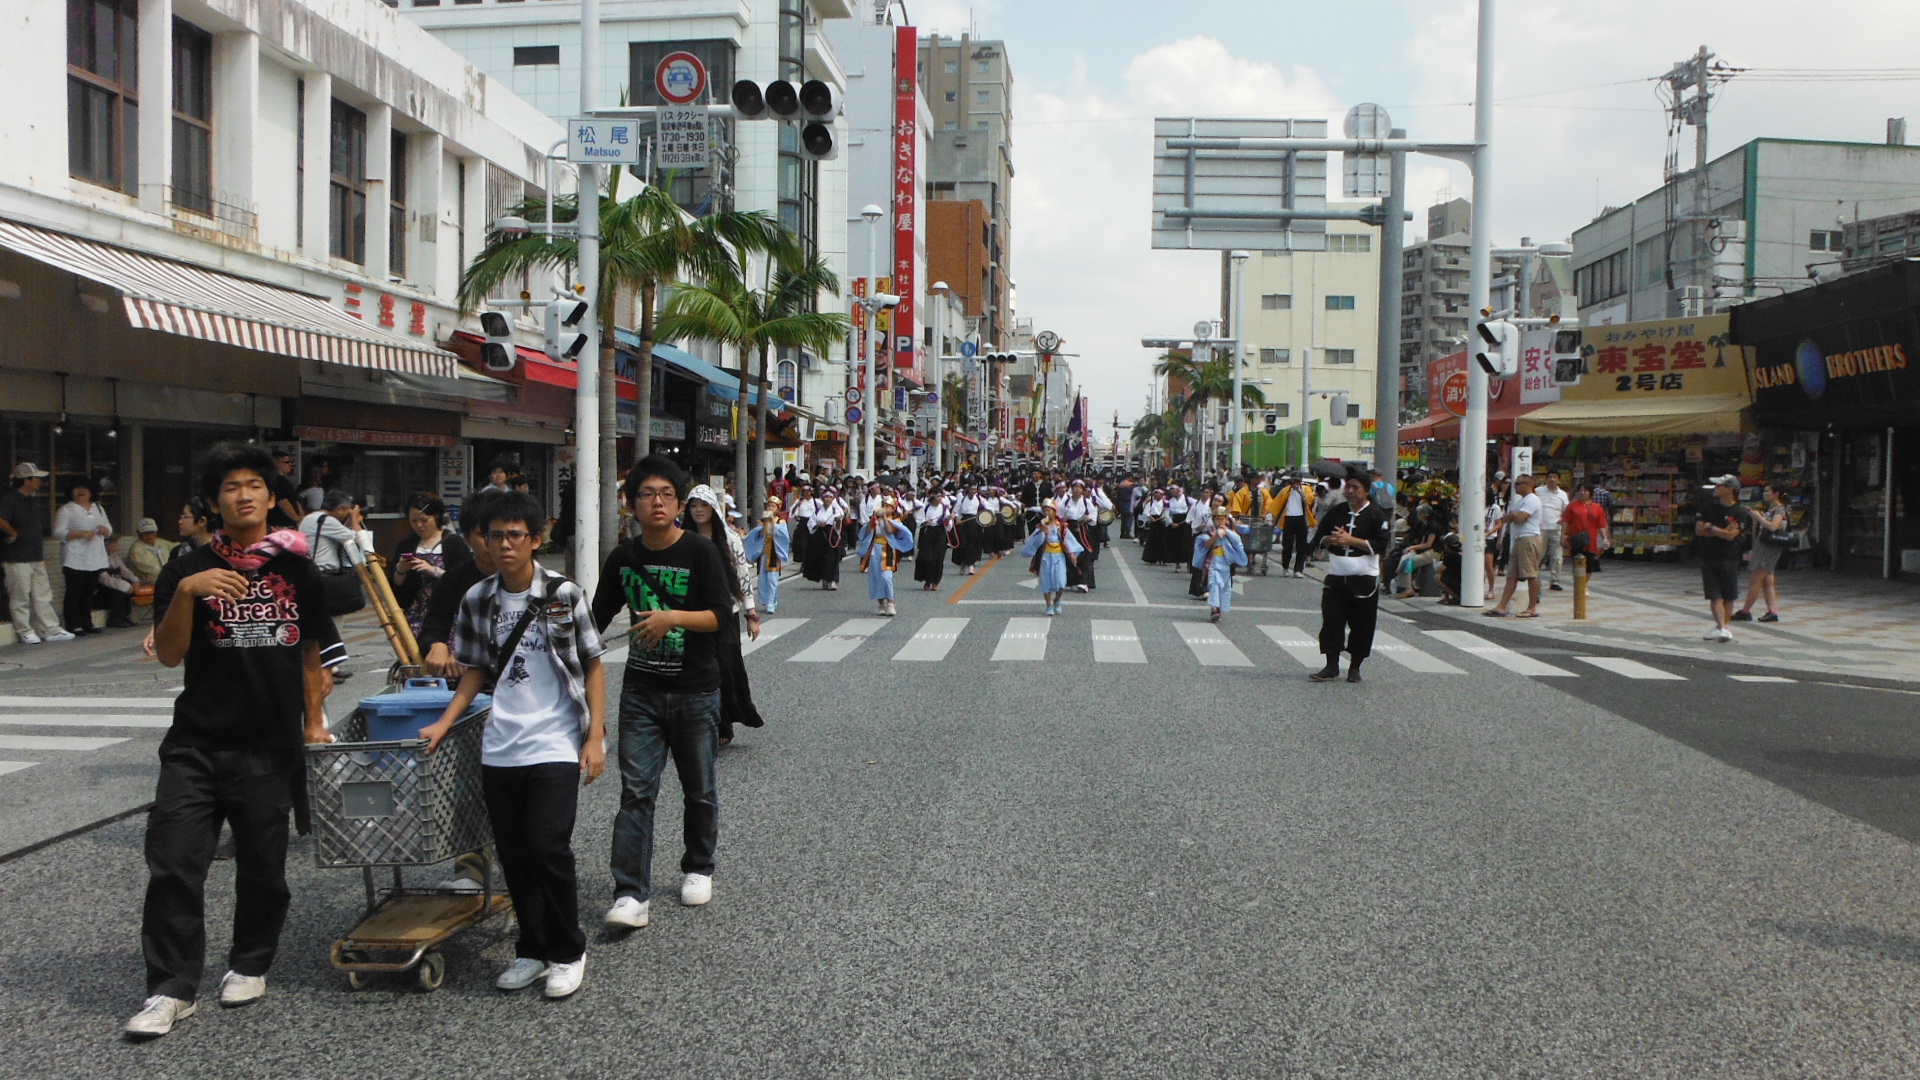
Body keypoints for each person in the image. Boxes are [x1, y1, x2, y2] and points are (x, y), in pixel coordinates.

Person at [127, 442, 346, 1038]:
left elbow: (311, 652)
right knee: (173, 863)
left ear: (271, 499)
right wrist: (188, 592)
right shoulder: (186, 568)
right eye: (230, 487)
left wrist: (313, 719)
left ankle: (250, 960)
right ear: (214, 500)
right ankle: (171, 988)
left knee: (262, 869)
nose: (243, 494)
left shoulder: (296, 568)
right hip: (195, 741)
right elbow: (170, 653)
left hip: (268, 742)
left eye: (254, 485)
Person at [421, 490, 605, 1000]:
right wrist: (444, 722)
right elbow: (475, 671)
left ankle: (568, 950)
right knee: (514, 853)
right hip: (500, 743)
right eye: (495, 535)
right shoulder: (478, 598)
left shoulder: (563, 594)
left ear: (536, 540)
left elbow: (592, 663)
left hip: (555, 741)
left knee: (548, 846)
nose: (504, 544)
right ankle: (531, 948)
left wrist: (595, 737)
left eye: (515, 535)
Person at [591, 456, 735, 934]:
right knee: (636, 792)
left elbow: (720, 615)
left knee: (700, 788)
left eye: (666, 494)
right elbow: (594, 617)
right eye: (647, 494)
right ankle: (630, 892)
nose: (657, 502)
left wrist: (671, 617)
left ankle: (699, 865)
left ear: (678, 503)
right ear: (632, 504)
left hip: (696, 689)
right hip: (642, 692)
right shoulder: (624, 557)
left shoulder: (699, 552)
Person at [682, 484, 763, 745]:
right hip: (691, 613)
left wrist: (751, 614)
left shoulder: (729, 538)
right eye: (694, 506)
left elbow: (742, 576)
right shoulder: (681, 538)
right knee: (695, 669)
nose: (698, 511)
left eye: (703, 505)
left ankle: (726, 718)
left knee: (725, 667)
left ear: (714, 509)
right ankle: (709, 725)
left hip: (726, 612)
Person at [1308, 470, 1393, 684]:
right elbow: (1319, 538)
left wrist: (1351, 540)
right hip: (1337, 576)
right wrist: (1331, 540)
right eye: (1349, 487)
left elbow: (1382, 545)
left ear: (1366, 491)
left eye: (1356, 487)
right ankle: (1331, 664)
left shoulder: (1376, 515)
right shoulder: (1336, 512)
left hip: (1364, 578)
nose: (1351, 491)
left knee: (1362, 624)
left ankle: (1355, 666)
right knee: (1332, 620)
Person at [417, 490, 500, 680]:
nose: (494, 543)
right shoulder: (453, 580)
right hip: (471, 683)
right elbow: (433, 626)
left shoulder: (538, 584)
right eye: (483, 535)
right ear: (467, 539)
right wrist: (437, 645)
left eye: (499, 534)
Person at [300, 491, 369, 680]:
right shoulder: (328, 521)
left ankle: (323, 663)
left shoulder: (309, 519)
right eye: (346, 509)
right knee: (334, 621)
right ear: (339, 509)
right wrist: (355, 519)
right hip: (325, 576)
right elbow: (356, 537)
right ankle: (331, 665)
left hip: (312, 574)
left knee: (320, 620)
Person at [2, 462, 72, 644]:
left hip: (35, 555)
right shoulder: (10, 499)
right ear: (27, 480)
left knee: (43, 594)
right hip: (16, 557)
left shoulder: (32, 499)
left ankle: (50, 629)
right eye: (36, 478)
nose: (39, 481)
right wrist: (12, 532)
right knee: (20, 595)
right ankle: (24, 630)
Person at [391, 494, 473, 638]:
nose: (419, 525)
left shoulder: (453, 543)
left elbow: (462, 581)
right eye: (413, 520)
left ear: (436, 516)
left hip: (447, 612)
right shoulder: (406, 545)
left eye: (424, 520)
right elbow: (396, 586)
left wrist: (433, 571)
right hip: (415, 613)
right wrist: (401, 570)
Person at [55, 479, 113, 635]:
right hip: (74, 557)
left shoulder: (98, 508)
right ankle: (73, 623)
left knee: (89, 592)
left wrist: (104, 530)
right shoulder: (66, 510)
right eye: (77, 488)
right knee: (74, 592)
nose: (81, 491)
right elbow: (58, 532)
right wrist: (80, 533)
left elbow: (109, 528)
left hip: (94, 557)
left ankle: (87, 622)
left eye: (85, 488)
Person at [1695, 475, 1745, 642]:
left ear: (1729, 489)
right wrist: (1721, 531)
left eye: (1719, 485)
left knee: (1729, 595)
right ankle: (1721, 627)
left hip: (1730, 557)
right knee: (1715, 594)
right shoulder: (1708, 507)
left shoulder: (1739, 511)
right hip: (1709, 557)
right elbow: (1699, 530)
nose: (1715, 488)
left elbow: (1732, 536)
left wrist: (1712, 528)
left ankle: (1722, 628)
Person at [1485, 474, 1543, 619]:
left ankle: (1532, 607)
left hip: (1529, 538)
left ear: (1528, 484)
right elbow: (1505, 519)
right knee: (1512, 575)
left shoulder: (1532, 500)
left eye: (1518, 484)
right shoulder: (1520, 502)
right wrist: (1512, 516)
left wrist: (1513, 516)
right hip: (1518, 538)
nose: (1514, 486)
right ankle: (1501, 606)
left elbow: (1520, 517)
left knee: (1531, 573)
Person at [1733, 484, 1790, 624]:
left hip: (1768, 548)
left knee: (1756, 579)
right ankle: (1772, 611)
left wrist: (1758, 517)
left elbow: (1773, 526)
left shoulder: (1779, 509)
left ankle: (1745, 611)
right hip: (1765, 545)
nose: (1765, 494)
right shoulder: (1771, 509)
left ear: (1776, 493)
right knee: (1768, 581)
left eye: (1767, 491)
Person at [1021, 500, 1084, 616]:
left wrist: (1072, 554)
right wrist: (1041, 530)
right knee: (1046, 582)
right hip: (1046, 556)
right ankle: (1049, 604)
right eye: (1044, 511)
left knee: (1060, 581)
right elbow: (1035, 540)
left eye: (1049, 510)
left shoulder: (1061, 526)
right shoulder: (1041, 526)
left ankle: (1057, 600)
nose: (1046, 513)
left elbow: (1068, 539)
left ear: (1054, 512)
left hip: (1058, 556)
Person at [856, 497, 915, 618]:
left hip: (888, 549)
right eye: (883, 505)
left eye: (888, 506)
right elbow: (867, 532)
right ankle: (881, 604)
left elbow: (890, 531)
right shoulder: (876, 519)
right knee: (876, 577)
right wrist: (873, 519)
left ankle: (891, 603)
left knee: (886, 576)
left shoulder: (895, 520)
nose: (885, 508)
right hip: (875, 550)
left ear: (893, 509)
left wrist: (884, 518)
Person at [1193, 507, 1248, 623]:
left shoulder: (1230, 533)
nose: (1219, 522)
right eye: (1217, 519)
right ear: (1213, 520)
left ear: (1226, 520)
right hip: (1213, 562)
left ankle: (1219, 608)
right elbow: (1206, 545)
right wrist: (1216, 535)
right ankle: (1214, 609)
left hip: (1225, 564)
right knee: (1214, 584)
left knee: (1224, 587)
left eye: (1222, 519)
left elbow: (1238, 543)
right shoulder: (1209, 532)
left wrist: (1226, 532)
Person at [743, 500, 791, 615]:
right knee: (763, 578)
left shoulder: (781, 521)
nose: (770, 508)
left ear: (777, 509)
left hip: (774, 552)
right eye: (769, 506)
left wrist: (773, 523)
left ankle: (770, 603)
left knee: (772, 579)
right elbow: (761, 535)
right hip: (764, 553)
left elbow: (782, 536)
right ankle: (769, 600)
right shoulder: (762, 521)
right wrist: (766, 524)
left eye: (773, 506)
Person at [1560, 485, 1610, 578]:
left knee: (1589, 566)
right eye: (1581, 490)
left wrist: (1605, 538)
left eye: (1585, 490)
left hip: (1591, 540)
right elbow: (1565, 521)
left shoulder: (1597, 507)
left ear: (1590, 492)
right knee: (1577, 564)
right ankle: (1578, 586)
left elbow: (1601, 525)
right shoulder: (1572, 505)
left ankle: (1583, 586)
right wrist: (1563, 535)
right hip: (1576, 539)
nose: (1583, 492)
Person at [803, 486, 845, 590]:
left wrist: (838, 522)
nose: (828, 499)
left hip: (832, 535)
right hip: (820, 536)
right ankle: (824, 579)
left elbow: (839, 524)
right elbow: (811, 524)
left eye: (830, 497)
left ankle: (833, 580)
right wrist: (818, 525)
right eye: (826, 497)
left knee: (832, 558)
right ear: (822, 498)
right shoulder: (817, 511)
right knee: (821, 557)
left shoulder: (836, 510)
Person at [1535, 472, 1570, 592]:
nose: (1552, 479)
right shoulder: (1538, 491)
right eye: (1550, 477)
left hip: (1556, 529)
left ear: (1558, 480)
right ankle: (1533, 577)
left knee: (1557, 557)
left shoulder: (1563, 495)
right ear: (1546, 479)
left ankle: (1555, 581)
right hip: (1540, 528)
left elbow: (1566, 513)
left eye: (1555, 477)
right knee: (1538, 554)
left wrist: (1564, 533)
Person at [1275, 473, 1315, 579]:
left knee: (1301, 546)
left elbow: (1309, 502)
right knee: (1287, 545)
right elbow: (1277, 505)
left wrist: (1301, 493)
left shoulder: (1306, 490)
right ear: (1291, 481)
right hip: (1288, 518)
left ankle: (1298, 570)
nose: (1296, 483)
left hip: (1302, 518)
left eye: (1298, 481)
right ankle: (1285, 567)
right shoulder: (1286, 490)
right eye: (1294, 481)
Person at [912, 488, 951, 591]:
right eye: (937, 496)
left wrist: (947, 521)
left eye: (940, 496)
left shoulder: (944, 508)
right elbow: (919, 521)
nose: (939, 499)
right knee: (925, 557)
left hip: (940, 533)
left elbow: (949, 525)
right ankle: (927, 580)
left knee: (938, 558)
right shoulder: (926, 508)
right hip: (928, 533)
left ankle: (935, 582)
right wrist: (925, 523)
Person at [127, 518, 177, 585]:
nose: (149, 536)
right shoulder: (136, 550)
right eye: (145, 533)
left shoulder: (161, 542)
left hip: (167, 579)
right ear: (139, 533)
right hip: (150, 583)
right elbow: (153, 570)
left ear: (156, 532)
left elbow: (176, 547)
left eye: (152, 532)